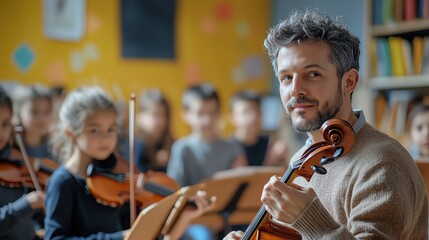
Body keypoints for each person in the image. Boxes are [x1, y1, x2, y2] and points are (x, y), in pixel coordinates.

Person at [224, 9, 428, 239]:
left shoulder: (381, 164)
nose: (295, 90)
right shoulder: (303, 157)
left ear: (349, 82)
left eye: (312, 74)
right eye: (286, 78)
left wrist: (311, 218)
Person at [45, 86, 215, 240]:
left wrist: (184, 216)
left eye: (111, 129)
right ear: (71, 133)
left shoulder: (117, 179)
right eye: (94, 130)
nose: (106, 137)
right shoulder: (63, 182)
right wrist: (121, 237)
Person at [167, 83, 247, 239]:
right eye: (200, 113)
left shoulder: (233, 148)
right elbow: (175, 194)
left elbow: (241, 191)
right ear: (186, 114)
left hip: (227, 218)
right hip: (194, 221)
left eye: (212, 113)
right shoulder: (182, 148)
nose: (207, 120)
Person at [0, 86, 45, 239]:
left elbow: (30, 220)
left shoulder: (18, 161)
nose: (1, 133)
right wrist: (25, 205)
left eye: (5, 124)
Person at [229, 90, 289, 166]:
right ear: (232, 117)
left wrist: (283, 160)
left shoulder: (271, 145)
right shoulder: (226, 149)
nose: (253, 117)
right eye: (246, 112)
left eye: (257, 110)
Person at [135, 88, 174, 172]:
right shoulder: (134, 147)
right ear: (140, 116)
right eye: (155, 114)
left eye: (164, 115)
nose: (160, 121)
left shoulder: (173, 145)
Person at [12, 84, 54, 160]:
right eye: (34, 112)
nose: (41, 118)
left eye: (47, 112)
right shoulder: (12, 142)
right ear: (19, 112)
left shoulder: (55, 145)